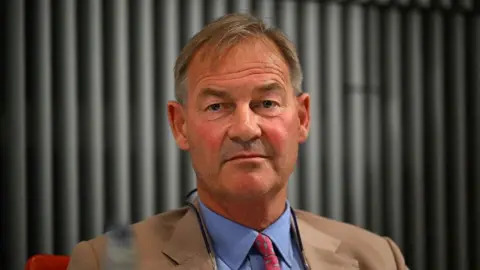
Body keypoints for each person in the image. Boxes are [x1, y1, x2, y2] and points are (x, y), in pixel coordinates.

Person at [67, 13, 407, 270]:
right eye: (218, 106)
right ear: (180, 124)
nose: (245, 129)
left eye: (267, 104)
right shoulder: (108, 262)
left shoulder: (377, 258)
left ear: (302, 118)